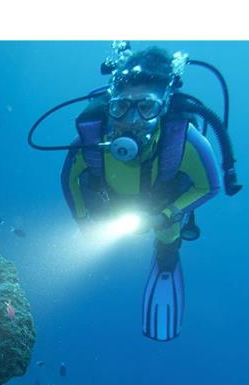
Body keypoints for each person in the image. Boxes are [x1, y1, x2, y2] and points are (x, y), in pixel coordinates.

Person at [60, 46, 223, 341]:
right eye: (121, 107)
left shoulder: (185, 141)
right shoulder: (91, 139)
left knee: (168, 238)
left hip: (161, 207)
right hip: (110, 204)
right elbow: (69, 179)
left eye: (146, 107)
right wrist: (84, 222)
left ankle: (166, 262)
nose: (131, 119)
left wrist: (166, 214)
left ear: (164, 106)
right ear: (109, 104)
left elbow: (209, 186)